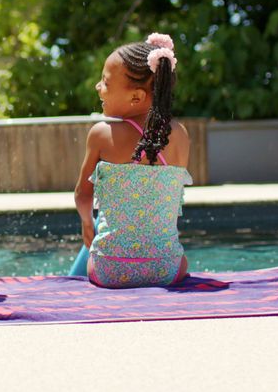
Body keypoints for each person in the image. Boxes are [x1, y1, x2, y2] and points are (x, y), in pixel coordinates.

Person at [70, 33, 193, 288]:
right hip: (167, 269)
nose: (98, 87)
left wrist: (86, 224)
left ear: (136, 97)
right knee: (182, 262)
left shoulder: (102, 134)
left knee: (93, 255)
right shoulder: (180, 135)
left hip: (108, 270)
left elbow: (83, 195)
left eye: (105, 82)